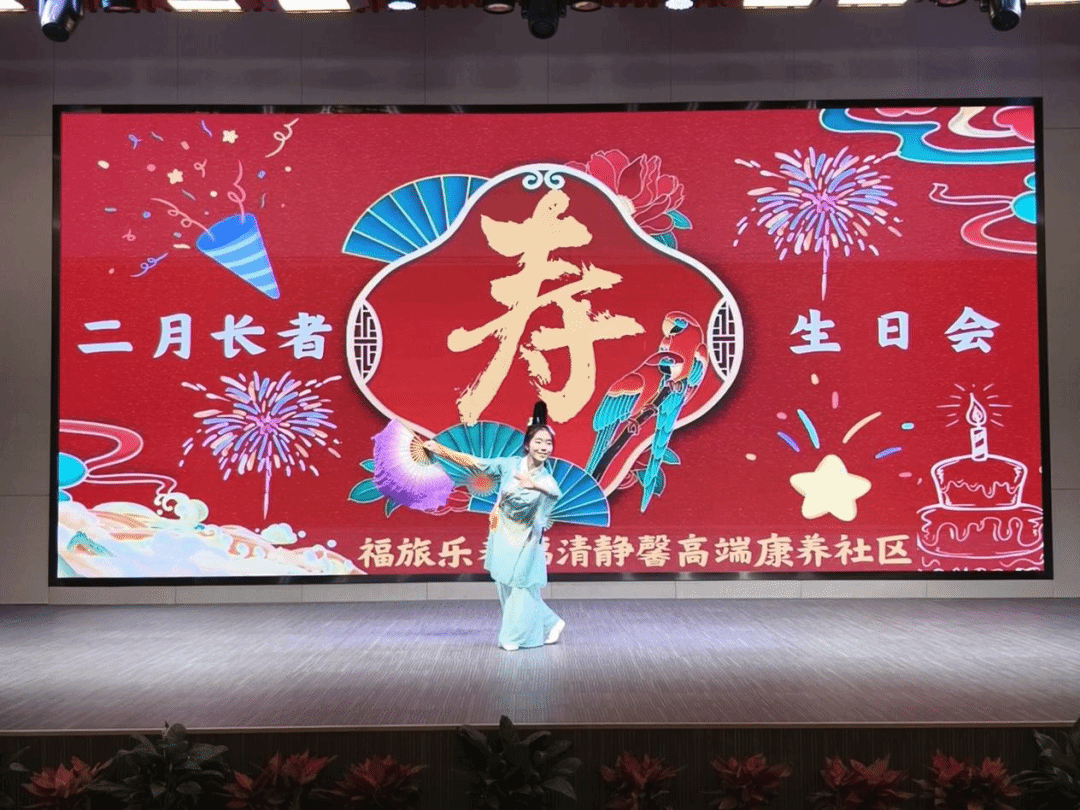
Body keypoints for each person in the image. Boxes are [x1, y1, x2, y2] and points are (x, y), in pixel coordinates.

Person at [423, 403, 565, 651]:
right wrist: (441, 450)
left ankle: (514, 637)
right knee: (506, 583)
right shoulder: (509, 465)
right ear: (527, 445)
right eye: (539, 442)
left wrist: (535, 485)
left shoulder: (546, 478)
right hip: (503, 530)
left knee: (521, 584)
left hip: (528, 538)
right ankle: (550, 622)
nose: (544, 447)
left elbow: (555, 494)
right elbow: (475, 463)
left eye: (548, 443)